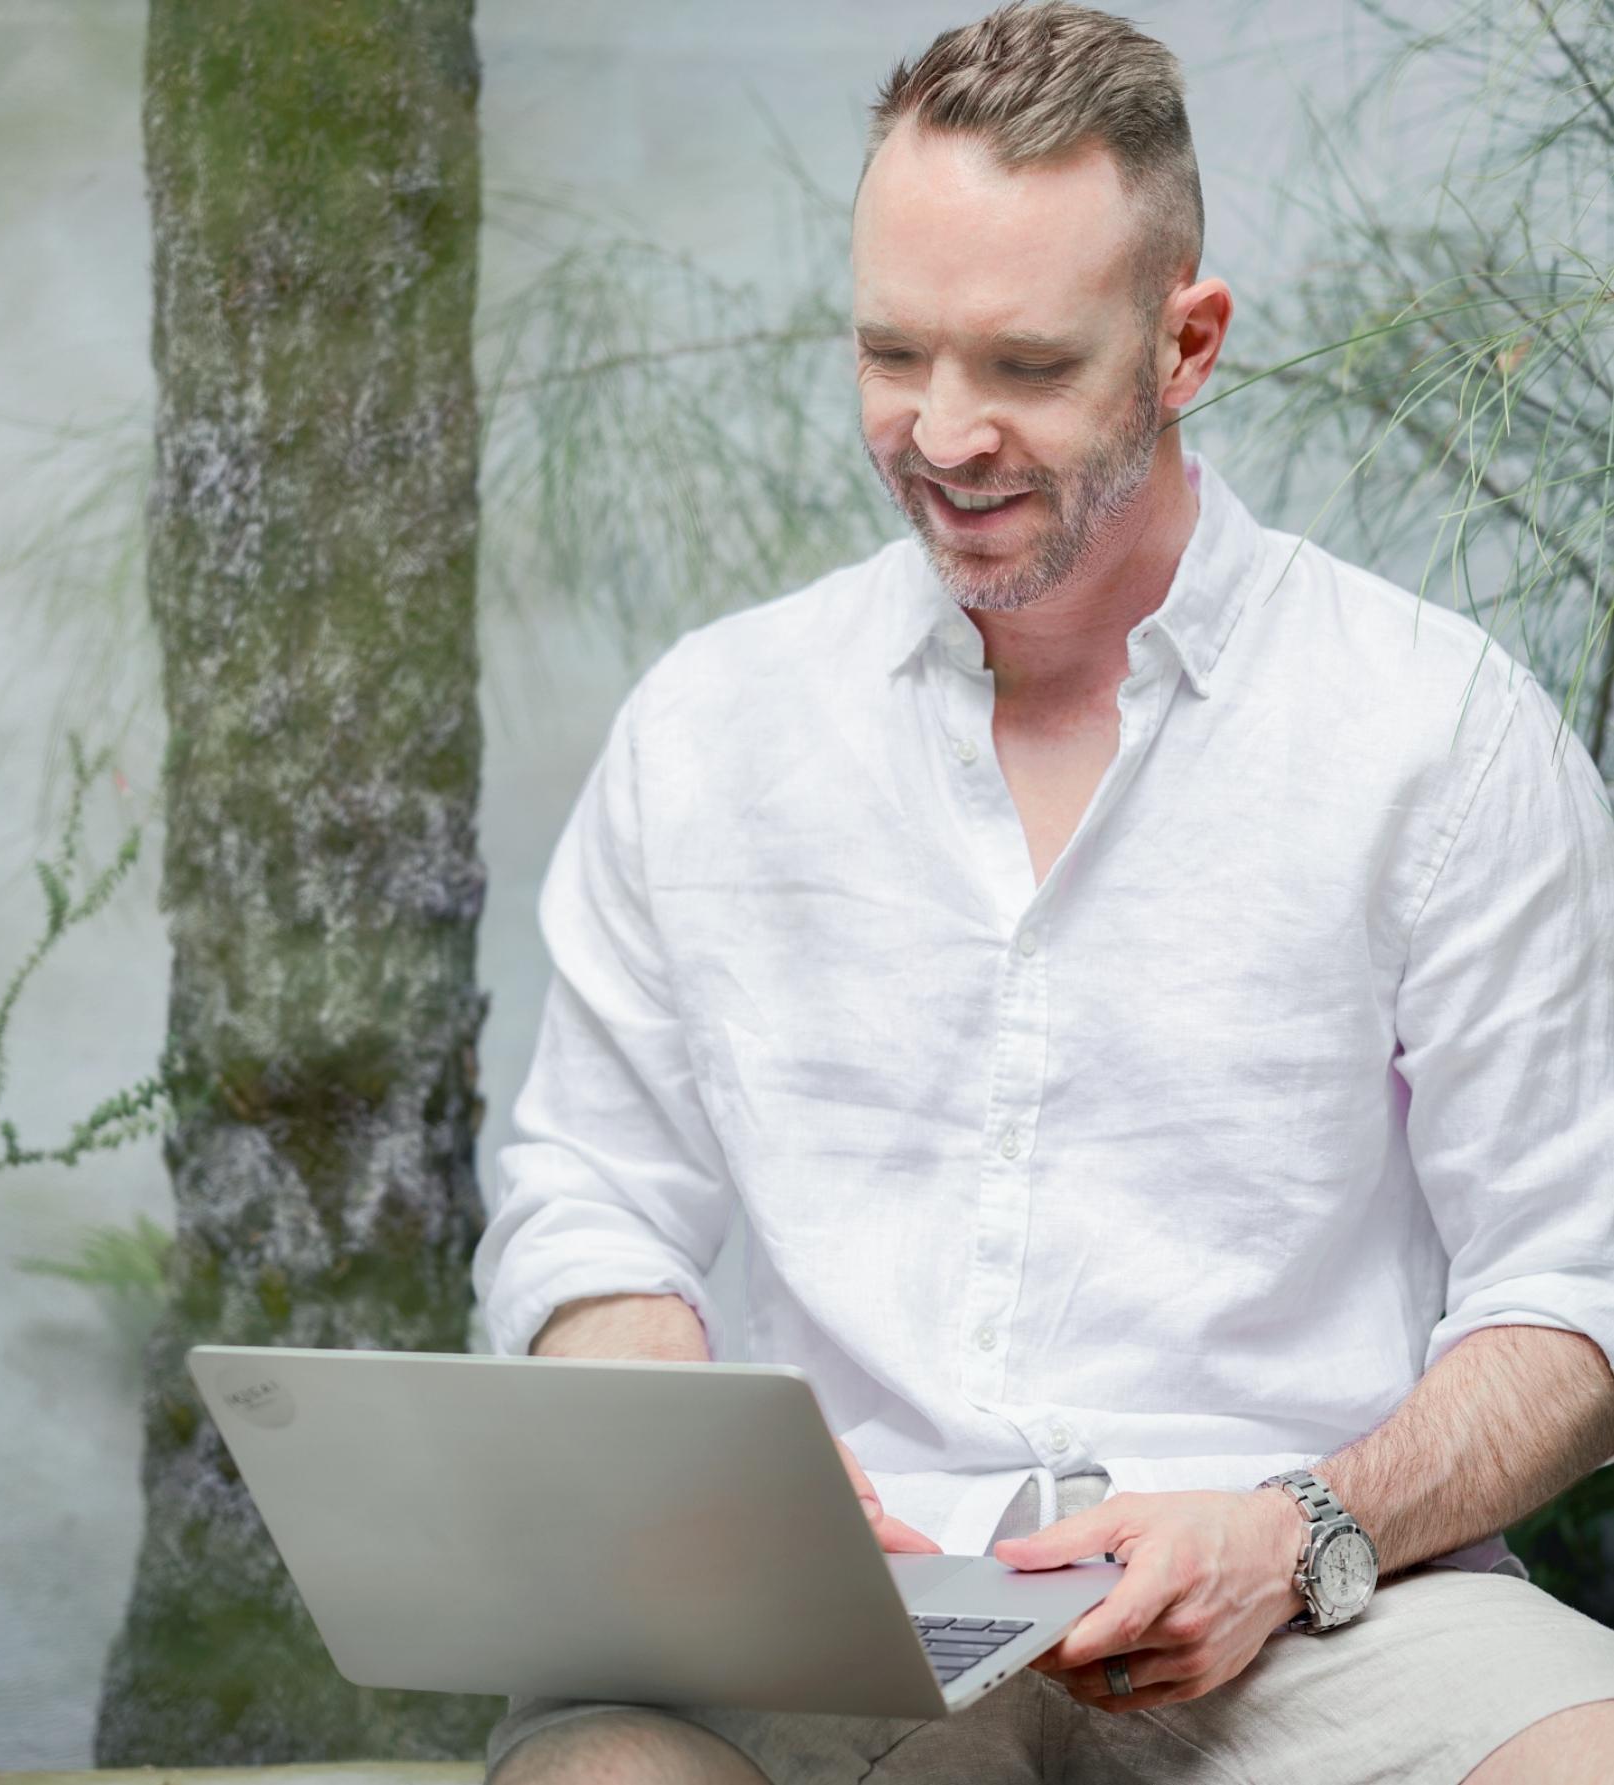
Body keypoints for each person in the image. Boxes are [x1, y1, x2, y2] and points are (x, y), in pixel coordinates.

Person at [472, 4, 1614, 1779]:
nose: (940, 434)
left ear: (1186, 344)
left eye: (1021, 366)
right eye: (891, 353)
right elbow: (590, 1206)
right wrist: (698, 1447)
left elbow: (1569, 1286)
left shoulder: (1436, 732)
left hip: (1328, 1597)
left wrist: (1299, 1526)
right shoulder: (711, 726)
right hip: (833, 1616)